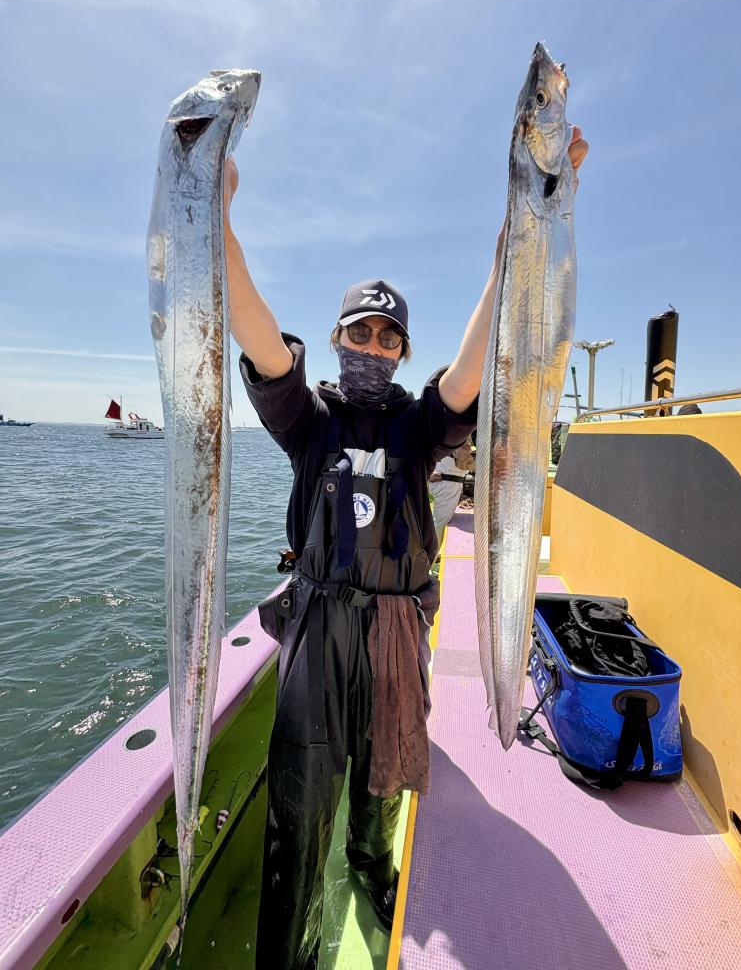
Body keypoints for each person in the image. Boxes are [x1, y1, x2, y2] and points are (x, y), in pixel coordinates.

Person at [224, 127, 588, 970]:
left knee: (385, 777)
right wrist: (223, 222)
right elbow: (259, 335)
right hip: (318, 631)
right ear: (337, 338)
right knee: (300, 801)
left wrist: (517, 242)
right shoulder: (306, 420)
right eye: (360, 333)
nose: (373, 347)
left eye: (389, 338)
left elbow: (470, 367)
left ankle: (371, 864)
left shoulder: (420, 427)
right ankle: (291, 948)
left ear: (403, 353)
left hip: (396, 632)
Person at [429, 439, 473, 551]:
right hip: (446, 481)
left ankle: (428, 553)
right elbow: (462, 459)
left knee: (436, 521)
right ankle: (429, 557)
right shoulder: (460, 431)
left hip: (441, 475)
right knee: (439, 523)